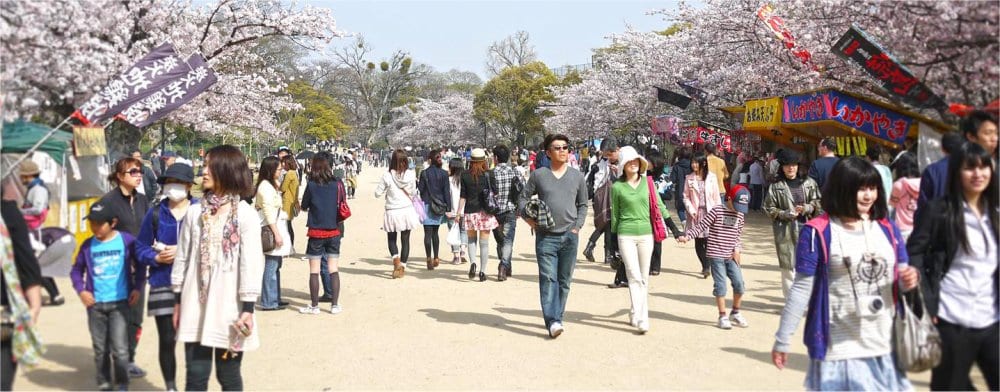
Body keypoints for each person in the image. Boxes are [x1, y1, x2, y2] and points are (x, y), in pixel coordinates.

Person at [771, 156, 919, 391]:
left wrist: (908, 280)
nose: (868, 196)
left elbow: (900, 278)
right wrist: (783, 338)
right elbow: (801, 288)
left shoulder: (888, 229)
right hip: (838, 350)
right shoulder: (817, 232)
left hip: (884, 345)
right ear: (842, 189)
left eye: (872, 188)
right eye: (860, 189)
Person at [171, 145, 263, 391]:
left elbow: (251, 264)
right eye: (204, 166)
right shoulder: (193, 213)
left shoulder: (245, 216)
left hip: (230, 307)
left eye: (209, 166)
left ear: (227, 170)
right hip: (194, 303)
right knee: (196, 376)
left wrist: (248, 308)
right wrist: (178, 300)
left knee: (229, 374)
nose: (203, 171)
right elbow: (182, 257)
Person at [907, 142, 998, 391]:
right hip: (952, 317)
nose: (978, 174)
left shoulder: (995, 212)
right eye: (970, 168)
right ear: (957, 172)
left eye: (983, 167)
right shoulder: (939, 210)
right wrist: (927, 299)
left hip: (992, 318)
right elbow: (914, 251)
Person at [518, 134, 588, 339]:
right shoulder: (539, 175)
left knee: (564, 280)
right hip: (546, 236)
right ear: (548, 153)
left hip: (569, 235)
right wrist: (529, 219)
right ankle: (553, 320)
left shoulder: (577, 176)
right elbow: (522, 199)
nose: (563, 151)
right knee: (549, 279)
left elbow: (583, 204)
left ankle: (558, 316)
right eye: (557, 148)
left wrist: (577, 226)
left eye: (565, 147)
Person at [134, 163, 197, 391]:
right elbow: (140, 247)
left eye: (177, 183)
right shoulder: (156, 213)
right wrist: (156, 258)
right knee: (167, 339)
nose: (172, 188)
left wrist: (181, 251)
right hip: (162, 282)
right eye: (168, 183)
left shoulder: (199, 211)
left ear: (189, 186)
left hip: (194, 285)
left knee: (194, 341)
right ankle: (171, 387)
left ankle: (194, 385)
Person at [71, 201, 145, 391]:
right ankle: (104, 381)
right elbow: (76, 271)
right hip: (95, 306)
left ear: (113, 222)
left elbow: (141, 264)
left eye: (99, 223)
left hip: (120, 304)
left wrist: (137, 287)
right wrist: (82, 291)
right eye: (91, 223)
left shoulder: (127, 241)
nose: (94, 227)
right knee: (100, 348)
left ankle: (122, 382)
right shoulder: (87, 245)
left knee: (120, 349)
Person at [610, 147, 672, 333]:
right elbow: (615, 215)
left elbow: (660, 206)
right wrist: (613, 244)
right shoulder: (617, 187)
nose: (633, 164)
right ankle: (641, 316)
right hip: (625, 234)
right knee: (633, 275)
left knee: (643, 277)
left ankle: (637, 312)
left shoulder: (648, 183)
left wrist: (675, 229)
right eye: (629, 162)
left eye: (636, 161)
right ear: (623, 166)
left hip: (646, 235)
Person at [99, 156, 149, 378]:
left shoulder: (142, 201)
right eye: (133, 172)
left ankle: (129, 358)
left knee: (135, 317)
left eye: (140, 172)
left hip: (139, 269)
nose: (138, 176)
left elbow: (148, 230)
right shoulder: (107, 203)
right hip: (115, 270)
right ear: (120, 176)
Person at [679, 185, 751, 330]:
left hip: (731, 255)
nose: (738, 210)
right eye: (737, 205)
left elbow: (738, 235)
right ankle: (722, 316)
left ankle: (735, 312)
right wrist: (687, 236)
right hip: (716, 254)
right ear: (729, 198)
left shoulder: (740, 215)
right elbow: (701, 226)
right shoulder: (717, 211)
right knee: (721, 286)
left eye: (741, 207)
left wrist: (737, 249)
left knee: (740, 285)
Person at [1, 177, 44, 391]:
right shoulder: (9, 212)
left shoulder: (8, 213)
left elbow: (25, 259)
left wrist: (35, 305)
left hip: (5, 315)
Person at [764, 149, 821, 298]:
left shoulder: (809, 183)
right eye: (787, 165)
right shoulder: (776, 187)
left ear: (798, 166)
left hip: (807, 228)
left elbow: (818, 203)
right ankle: (791, 302)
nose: (791, 168)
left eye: (794, 165)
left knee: (807, 265)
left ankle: (806, 300)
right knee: (788, 267)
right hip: (785, 231)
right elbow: (768, 208)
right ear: (782, 167)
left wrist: (808, 208)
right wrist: (784, 214)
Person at [299, 153, 346, 315]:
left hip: (316, 231)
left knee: (314, 270)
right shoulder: (338, 183)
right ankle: (335, 305)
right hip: (334, 230)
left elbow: (304, 205)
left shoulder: (311, 184)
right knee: (333, 268)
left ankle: (314, 306)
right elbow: (342, 203)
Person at [16, 161, 62, 307]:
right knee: (37, 265)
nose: (21, 179)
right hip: (31, 231)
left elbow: (38, 209)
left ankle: (55, 294)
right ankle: (55, 295)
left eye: (23, 176)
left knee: (35, 265)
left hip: (35, 233)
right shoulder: (33, 189)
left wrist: (19, 212)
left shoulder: (38, 190)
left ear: (28, 175)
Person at [374, 149, 422, 279]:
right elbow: (412, 192)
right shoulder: (411, 175)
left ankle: (396, 261)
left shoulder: (387, 176)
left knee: (391, 239)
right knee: (405, 240)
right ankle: (403, 267)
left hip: (392, 211)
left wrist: (387, 190)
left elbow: (377, 193)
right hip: (406, 210)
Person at [255, 157, 291, 311]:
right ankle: (269, 301)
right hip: (270, 228)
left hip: (276, 225)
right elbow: (269, 213)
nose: (281, 171)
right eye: (278, 169)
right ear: (270, 170)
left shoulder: (271, 185)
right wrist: (277, 234)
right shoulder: (265, 187)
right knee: (271, 265)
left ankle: (274, 297)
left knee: (276, 265)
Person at [458, 148, 500, 282]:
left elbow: (463, 196)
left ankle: (472, 263)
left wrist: (459, 213)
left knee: (471, 240)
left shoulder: (464, 175)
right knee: (484, 243)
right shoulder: (489, 174)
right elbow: (496, 193)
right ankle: (482, 271)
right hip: (485, 212)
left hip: (470, 211)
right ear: (484, 160)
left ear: (471, 161)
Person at [683, 153, 722, 278]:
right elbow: (685, 196)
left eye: (696, 162)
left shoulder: (711, 177)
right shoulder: (689, 178)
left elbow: (716, 197)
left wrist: (718, 212)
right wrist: (690, 209)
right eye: (692, 162)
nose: (693, 165)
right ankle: (706, 266)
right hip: (695, 213)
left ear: (703, 163)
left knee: (709, 240)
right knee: (698, 241)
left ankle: (708, 264)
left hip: (710, 213)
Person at [583, 137, 619, 265]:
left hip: (599, 197)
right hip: (605, 197)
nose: (607, 154)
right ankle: (607, 255)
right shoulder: (603, 165)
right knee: (606, 224)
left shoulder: (598, 164)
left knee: (604, 224)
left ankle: (592, 248)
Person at [490, 144, 523, 281]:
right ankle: (505, 266)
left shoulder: (491, 173)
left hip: (495, 211)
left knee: (500, 241)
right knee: (508, 241)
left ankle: (504, 264)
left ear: (496, 158)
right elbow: (522, 190)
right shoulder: (515, 171)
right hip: (510, 210)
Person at [917, 132, 967, 220]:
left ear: (943, 148)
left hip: (936, 224)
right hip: (964, 222)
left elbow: (923, 204)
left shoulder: (931, 170)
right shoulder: (970, 170)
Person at [418, 149, 450, 270]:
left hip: (427, 204)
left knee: (427, 233)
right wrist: (448, 206)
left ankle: (428, 258)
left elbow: (420, 190)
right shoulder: (444, 174)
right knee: (435, 233)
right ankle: (436, 257)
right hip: (439, 206)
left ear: (429, 160)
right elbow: (447, 192)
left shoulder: (424, 173)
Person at [888, 152, 920, 241]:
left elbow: (891, 206)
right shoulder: (924, 182)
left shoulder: (898, 185)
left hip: (902, 229)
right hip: (919, 227)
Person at [447, 158, 469, 265]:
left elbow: (447, 196)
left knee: (454, 232)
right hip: (465, 210)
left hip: (453, 211)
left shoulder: (449, 180)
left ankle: (456, 256)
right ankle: (463, 251)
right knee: (463, 231)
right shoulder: (466, 179)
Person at [671, 148, 692, 223]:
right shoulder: (692, 165)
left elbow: (672, 179)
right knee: (691, 208)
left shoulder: (676, 166)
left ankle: (683, 221)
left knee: (680, 209)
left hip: (680, 190)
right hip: (691, 191)